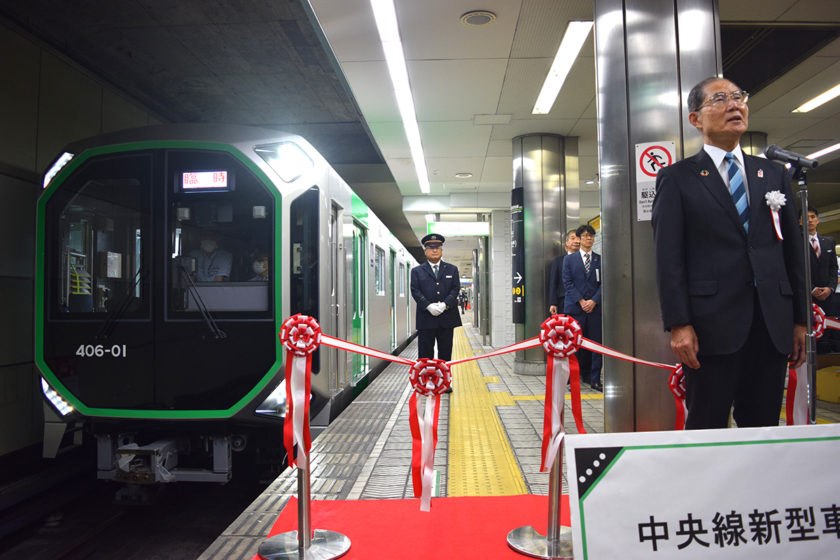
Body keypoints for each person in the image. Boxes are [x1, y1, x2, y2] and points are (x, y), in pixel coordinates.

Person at [652, 76, 807, 430]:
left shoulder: (773, 174)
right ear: (696, 119)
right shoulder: (678, 178)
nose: (735, 105)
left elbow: (792, 252)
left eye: (739, 97)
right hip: (711, 328)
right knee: (707, 426)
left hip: (771, 325)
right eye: (720, 99)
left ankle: (757, 487)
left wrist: (800, 320)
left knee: (763, 424)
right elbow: (668, 258)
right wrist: (679, 324)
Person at [410, 234, 462, 393]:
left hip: (447, 318)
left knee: (445, 352)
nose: (434, 250)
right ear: (425, 251)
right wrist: (428, 306)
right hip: (426, 318)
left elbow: (455, 288)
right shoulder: (417, 271)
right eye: (431, 248)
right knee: (425, 353)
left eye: (437, 248)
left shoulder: (452, 269)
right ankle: (425, 382)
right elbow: (415, 290)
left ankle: (444, 383)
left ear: (441, 250)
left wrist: (445, 305)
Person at [562, 225, 602, 391]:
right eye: (585, 236)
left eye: (591, 236)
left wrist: (593, 301)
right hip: (575, 309)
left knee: (596, 345)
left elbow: (603, 283)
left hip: (595, 309)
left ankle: (595, 379)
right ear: (578, 238)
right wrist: (581, 301)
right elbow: (567, 283)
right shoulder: (569, 260)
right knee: (574, 345)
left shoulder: (599, 259)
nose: (589, 238)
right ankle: (573, 379)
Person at [801, 205, 837, 316]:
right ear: (800, 222)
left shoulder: (829, 241)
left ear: (818, 220)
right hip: (806, 296)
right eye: (806, 217)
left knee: (829, 329)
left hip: (828, 297)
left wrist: (830, 288)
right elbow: (795, 269)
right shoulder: (796, 243)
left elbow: (833, 267)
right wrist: (812, 289)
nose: (810, 220)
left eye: (813, 217)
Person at [549, 229, 581, 316]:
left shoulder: (586, 260)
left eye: (578, 238)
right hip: (564, 300)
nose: (576, 241)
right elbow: (554, 283)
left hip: (583, 300)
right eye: (572, 238)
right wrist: (553, 303)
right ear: (567, 242)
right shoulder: (559, 260)